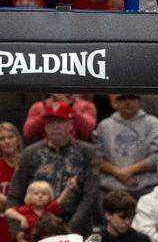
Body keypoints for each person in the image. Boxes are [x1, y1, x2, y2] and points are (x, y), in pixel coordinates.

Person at [7, 100, 100, 234]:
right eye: (50, 122)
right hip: (36, 230)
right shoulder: (30, 153)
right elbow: (15, 195)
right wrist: (17, 233)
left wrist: (69, 229)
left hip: (75, 228)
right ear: (45, 127)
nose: (55, 127)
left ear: (70, 125)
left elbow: (91, 195)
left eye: (60, 122)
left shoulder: (87, 152)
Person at [93, 93, 158, 198]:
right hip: (110, 189)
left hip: (146, 188)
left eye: (131, 98)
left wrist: (128, 171)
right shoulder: (104, 126)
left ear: (138, 101)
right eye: (122, 99)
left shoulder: (154, 125)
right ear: (115, 102)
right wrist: (118, 173)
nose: (127, 102)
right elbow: (96, 159)